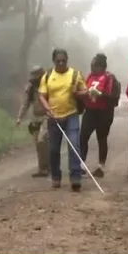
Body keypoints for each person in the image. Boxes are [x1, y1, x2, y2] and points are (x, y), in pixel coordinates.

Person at [38, 48, 88, 191]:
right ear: (53, 61)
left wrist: (77, 92)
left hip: (71, 114)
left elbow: (86, 91)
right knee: (53, 149)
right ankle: (56, 177)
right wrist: (47, 107)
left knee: (74, 145)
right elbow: (41, 94)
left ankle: (75, 178)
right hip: (54, 117)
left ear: (67, 60)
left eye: (63, 60)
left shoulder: (75, 74)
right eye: (58, 61)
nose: (61, 63)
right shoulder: (47, 76)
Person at [79, 53, 120, 178]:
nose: (92, 68)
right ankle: (81, 164)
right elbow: (85, 89)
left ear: (101, 66)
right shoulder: (90, 76)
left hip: (104, 112)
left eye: (94, 65)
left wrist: (99, 93)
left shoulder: (109, 77)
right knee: (83, 136)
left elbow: (112, 95)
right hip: (90, 111)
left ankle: (100, 167)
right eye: (91, 65)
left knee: (101, 138)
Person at [15, 65, 50, 177]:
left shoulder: (49, 85)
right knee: (37, 143)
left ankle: (46, 167)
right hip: (35, 117)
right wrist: (20, 117)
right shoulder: (30, 88)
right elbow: (25, 103)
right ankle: (42, 168)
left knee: (42, 140)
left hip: (47, 116)